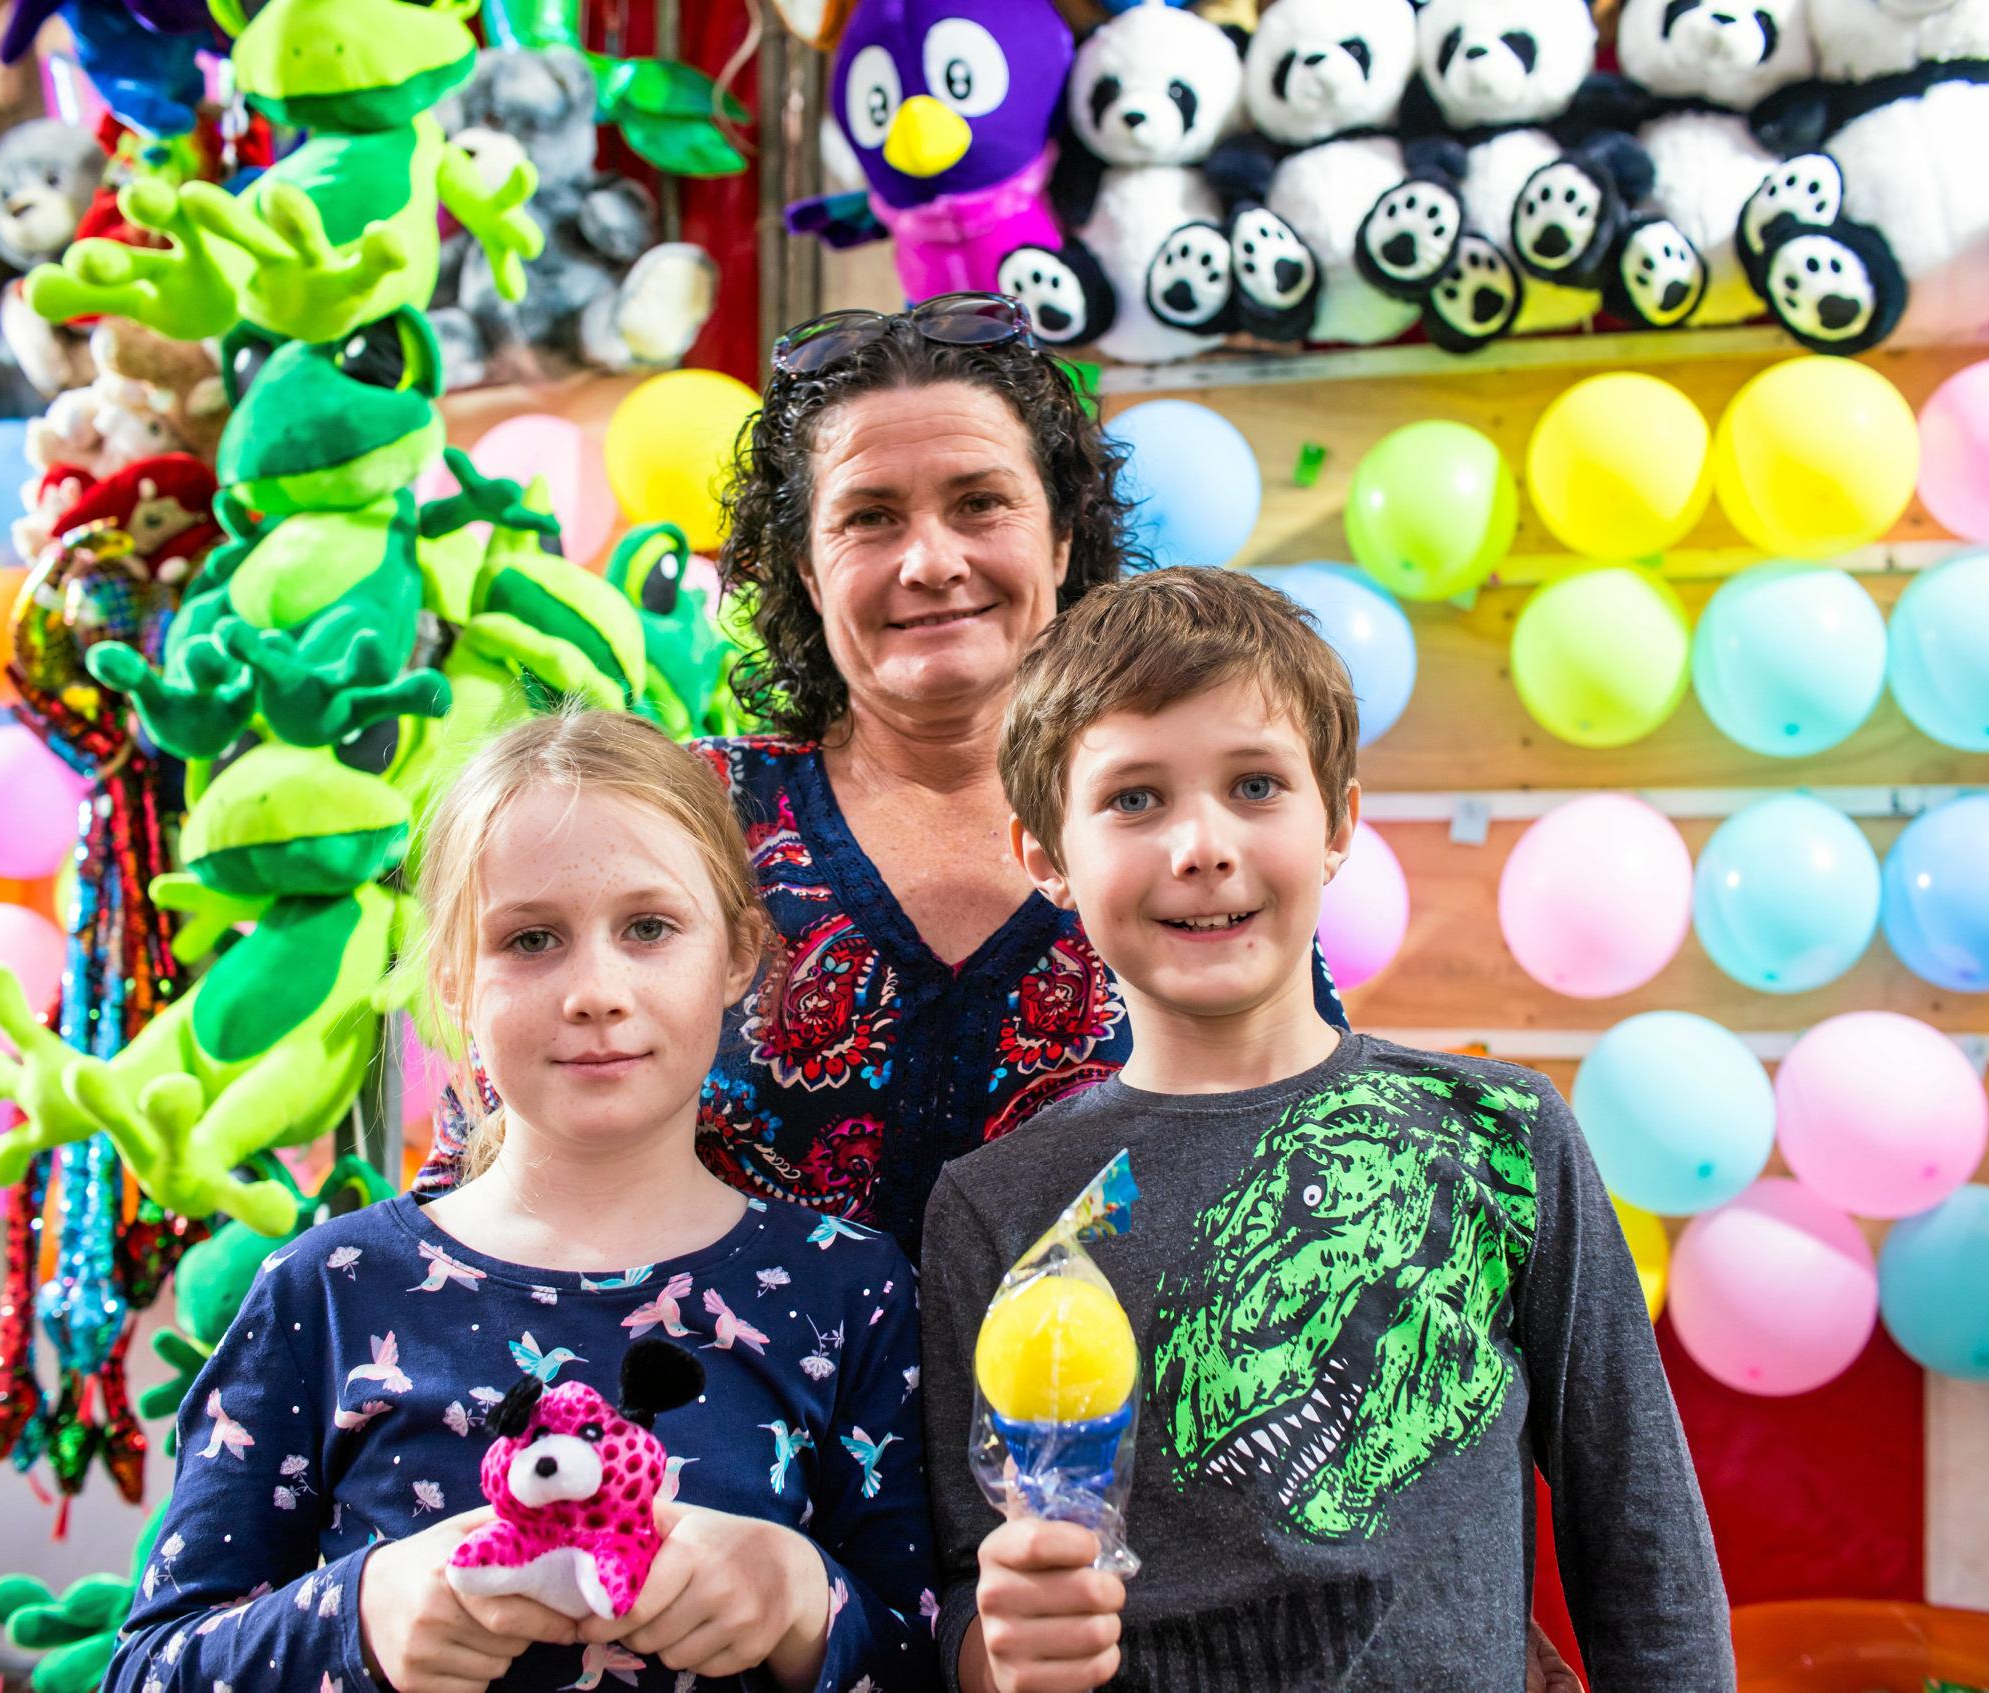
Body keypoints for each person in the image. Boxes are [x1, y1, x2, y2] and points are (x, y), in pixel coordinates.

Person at [918, 568, 1734, 1692]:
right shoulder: (994, 1203)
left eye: (1255, 784)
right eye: (1134, 798)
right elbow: (974, 1581)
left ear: (1341, 819)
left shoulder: (1501, 1134)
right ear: (1045, 854)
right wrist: (997, 1640)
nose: (1200, 845)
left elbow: (1640, 1539)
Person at [416, 292, 1345, 1261]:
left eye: (980, 502)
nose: (931, 561)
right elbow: (474, 1188)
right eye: (870, 517)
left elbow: (1293, 1176)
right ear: (809, 573)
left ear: (1061, 540)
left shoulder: (1186, 851)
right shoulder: (676, 822)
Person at [108, 712, 933, 1693]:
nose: (595, 989)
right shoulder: (328, 1290)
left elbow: (937, 1662)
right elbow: (152, 1669)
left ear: (738, 954)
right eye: (530, 938)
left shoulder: (848, 1289)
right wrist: (363, 1614)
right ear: (455, 981)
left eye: (650, 927)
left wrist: (804, 1603)